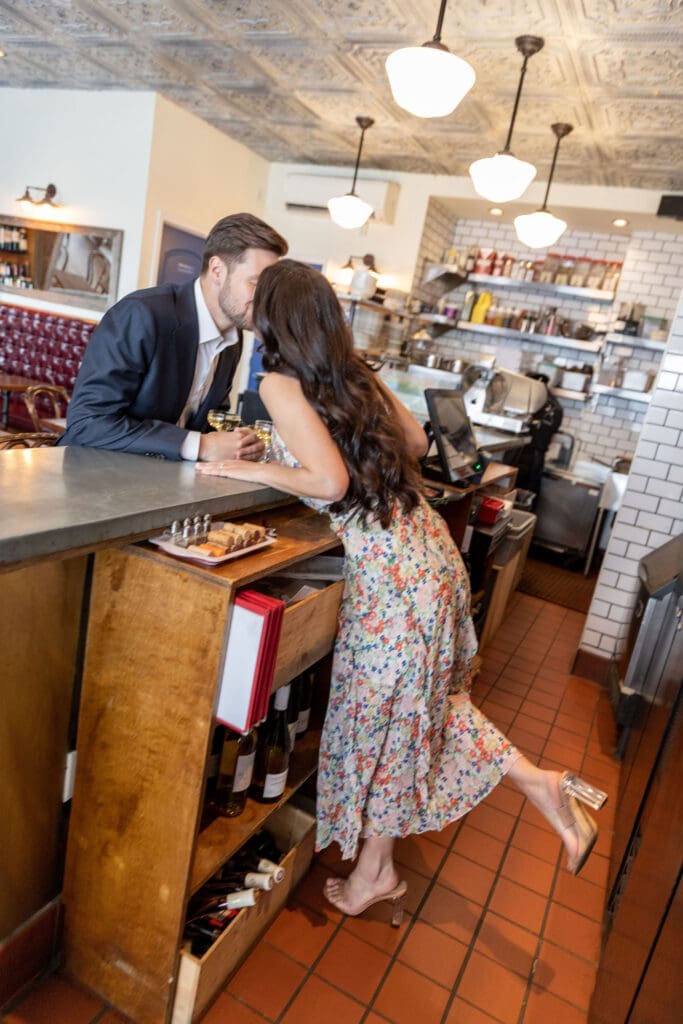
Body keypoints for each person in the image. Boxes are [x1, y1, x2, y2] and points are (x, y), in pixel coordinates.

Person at [196, 259, 607, 923]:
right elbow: (414, 441)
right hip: (429, 557)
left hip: (389, 580)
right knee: (419, 713)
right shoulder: (353, 370)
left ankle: (383, 868)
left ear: (273, 319)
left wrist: (251, 465)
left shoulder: (278, 382)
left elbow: (327, 484)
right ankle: (529, 791)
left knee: (386, 727)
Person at [59, 213, 288, 461]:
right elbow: (88, 422)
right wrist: (202, 446)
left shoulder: (234, 340)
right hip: (88, 479)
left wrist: (238, 442)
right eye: (256, 284)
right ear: (217, 270)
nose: (267, 300)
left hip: (157, 487)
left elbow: (208, 418)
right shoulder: (142, 314)